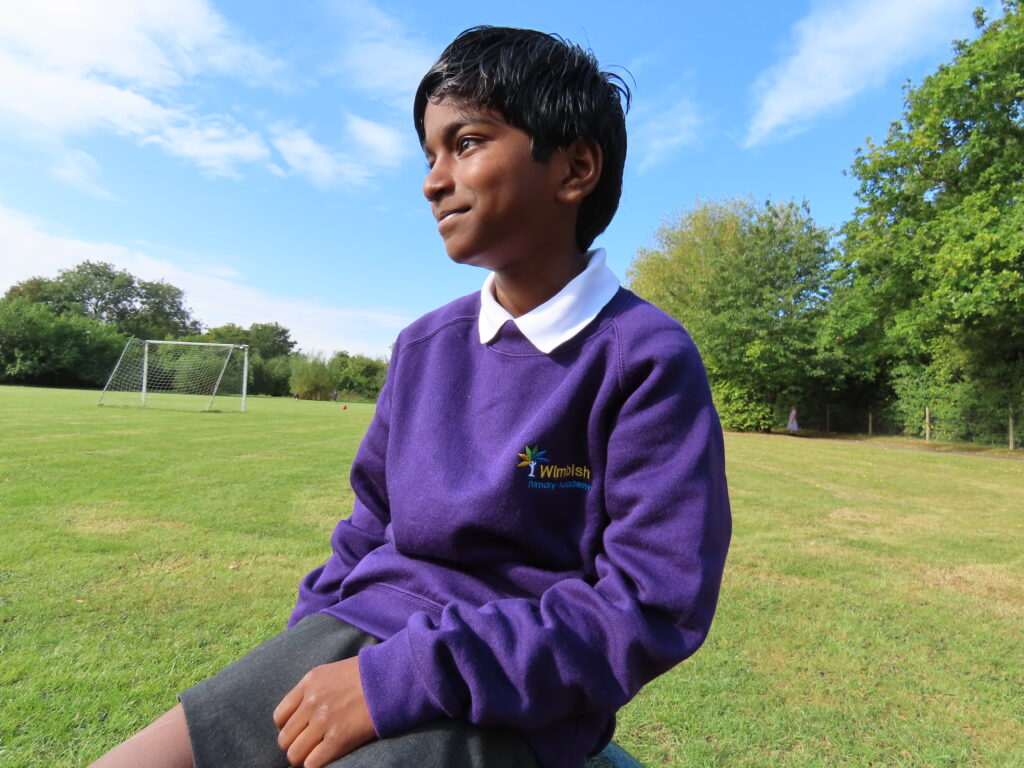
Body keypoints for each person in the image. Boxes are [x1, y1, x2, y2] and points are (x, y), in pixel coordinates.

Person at [89, 26, 731, 768]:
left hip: (507, 690)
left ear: (575, 167)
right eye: (429, 154)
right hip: (354, 636)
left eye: (466, 142)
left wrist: (404, 677)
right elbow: (368, 527)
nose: (433, 179)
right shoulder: (423, 346)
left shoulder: (645, 356)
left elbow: (652, 605)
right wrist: (311, 645)